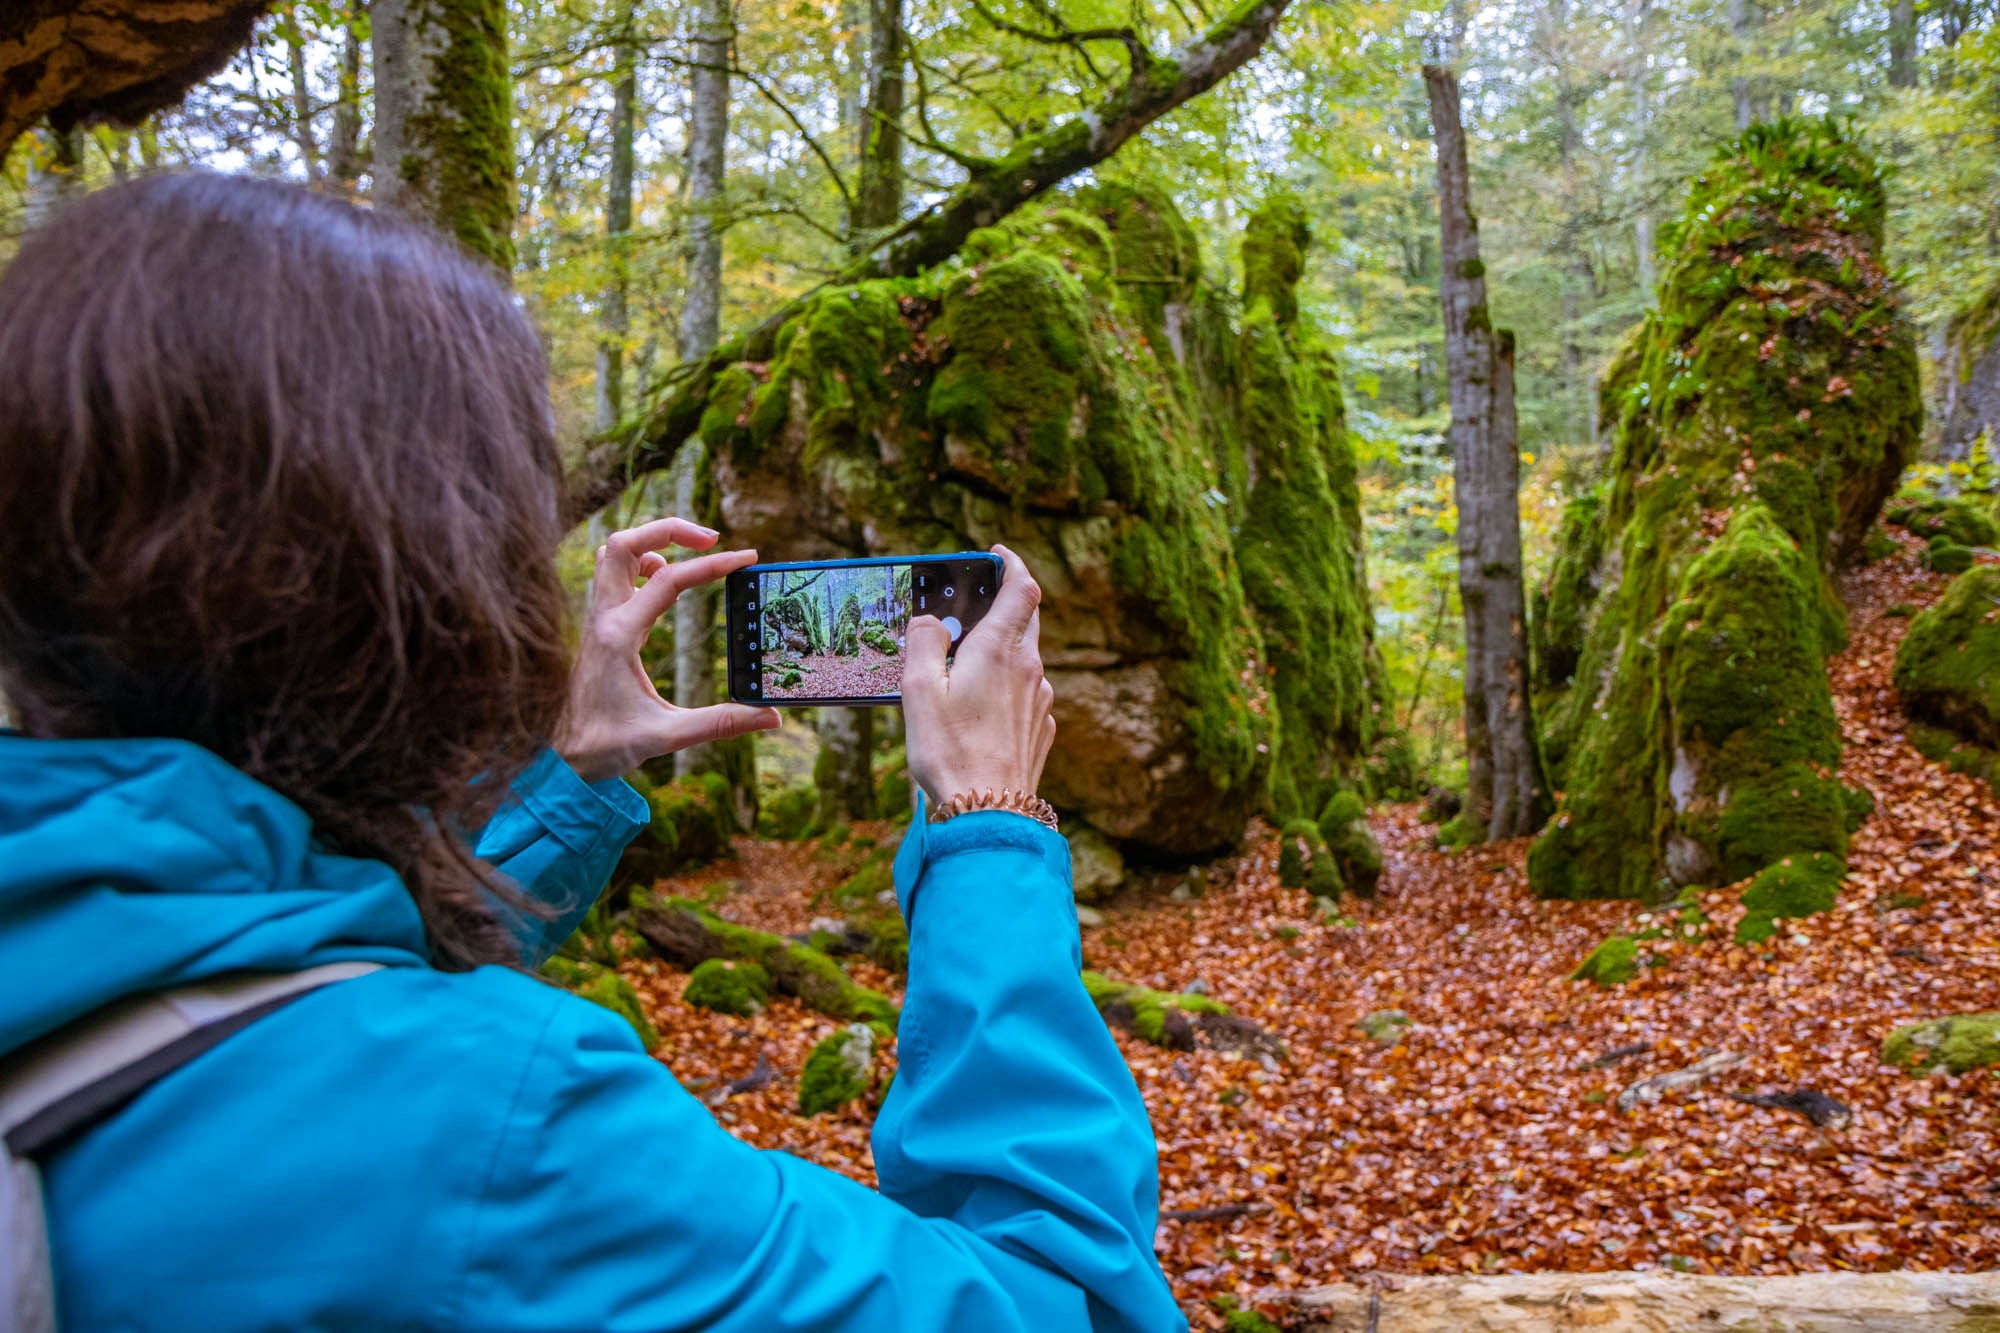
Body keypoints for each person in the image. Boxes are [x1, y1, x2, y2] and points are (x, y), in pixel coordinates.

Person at [0, 173, 1185, 1332]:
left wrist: (563, 781)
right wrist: (985, 827)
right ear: (441, 596)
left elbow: (243, 985)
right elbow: (1064, 1302)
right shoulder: (498, 1136)